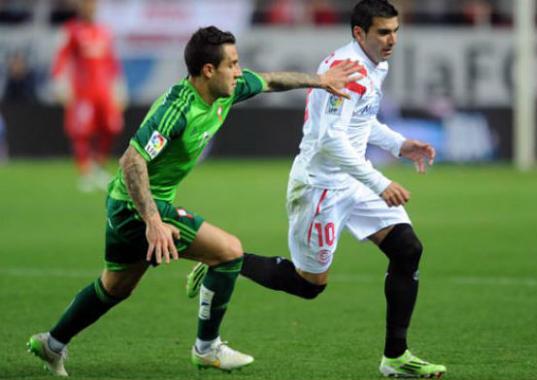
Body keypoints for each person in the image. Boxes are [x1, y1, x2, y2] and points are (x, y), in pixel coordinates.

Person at [27, 25, 362, 376]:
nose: (238, 72)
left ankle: (52, 344)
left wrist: (320, 79)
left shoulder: (228, 90)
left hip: (127, 206)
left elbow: (271, 80)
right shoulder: (178, 108)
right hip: (136, 208)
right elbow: (132, 160)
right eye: (232, 64)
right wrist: (154, 222)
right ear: (208, 71)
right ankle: (207, 349)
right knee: (229, 251)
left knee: (115, 287)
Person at [187, 1, 447, 377]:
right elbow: (328, 140)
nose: (392, 39)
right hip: (320, 187)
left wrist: (400, 144)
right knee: (309, 286)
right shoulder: (343, 70)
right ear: (359, 33)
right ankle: (226, 260)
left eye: (395, 31)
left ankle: (396, 357)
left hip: (353, 179)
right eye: (383, 32)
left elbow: (361, 119)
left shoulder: (377, 65)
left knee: (408, 249)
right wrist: (380, 182)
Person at [51, 0, 126, 192]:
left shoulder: (104, 31)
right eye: (87, 5)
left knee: (112, 127)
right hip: (82, 92)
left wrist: (119, 87)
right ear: (80, 8)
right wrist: (60, 82)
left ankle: (98, 166)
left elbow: (112, 62)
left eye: (93, 5)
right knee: (81, 132)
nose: (90, 9)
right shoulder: (71, 31)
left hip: (104, 91)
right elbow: (61, 57)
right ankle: (85, 173)